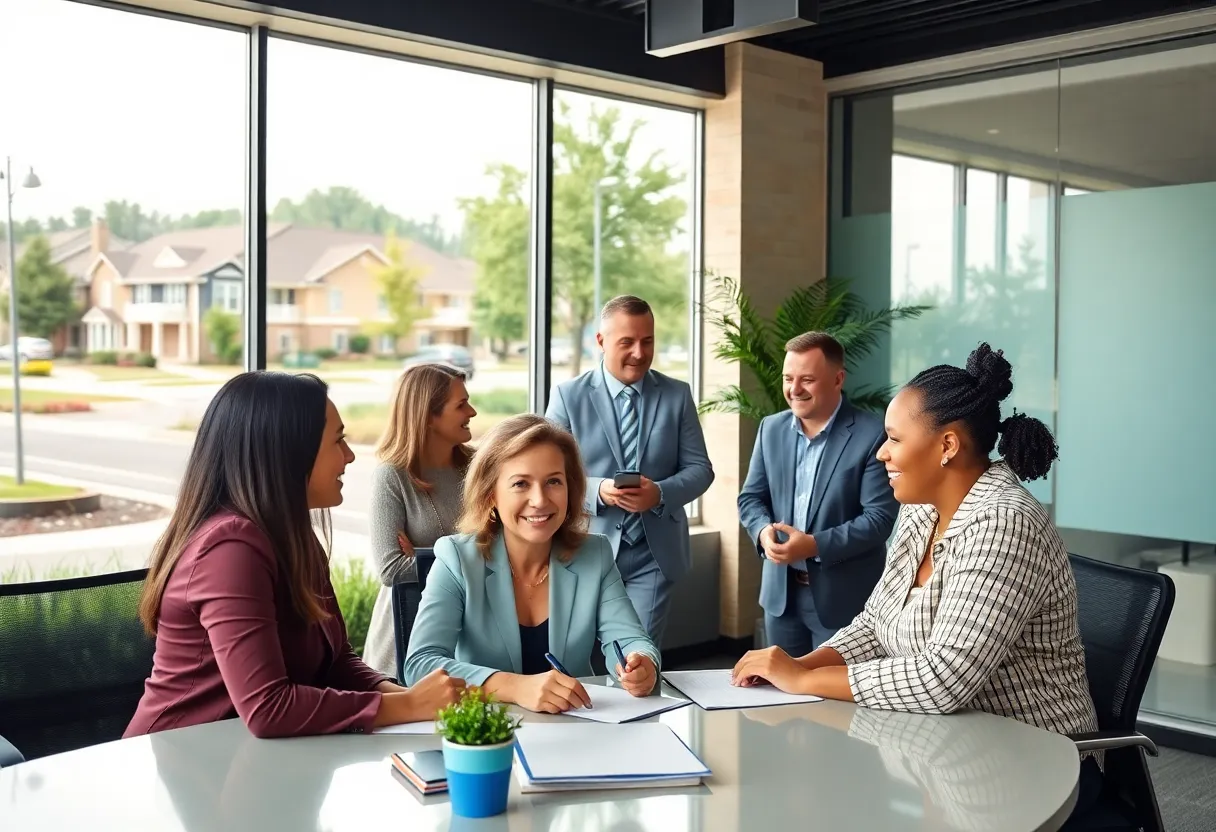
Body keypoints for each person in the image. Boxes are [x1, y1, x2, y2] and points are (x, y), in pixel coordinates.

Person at [730, 343, 1102, 819]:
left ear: (947, 446)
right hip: (951, 753)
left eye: (894, 439)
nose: (881, 452)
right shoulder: (921, 510)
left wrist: (803, 679)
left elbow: (942, 678)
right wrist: (800, 664)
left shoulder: (1004, 522)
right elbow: (875, 624)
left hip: (1034, 763)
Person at [126, 372, 465, 740]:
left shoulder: (294, 538)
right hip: (181, 756)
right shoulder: (230, 548)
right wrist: (410, 706)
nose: (349, 456)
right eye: (338, 441)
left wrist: (409, 698)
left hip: (247, 756)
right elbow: (268, 708)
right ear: (288, 453)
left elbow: (336, 662)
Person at [404, 414, 661, 713]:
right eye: (520, 484)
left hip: (575, 728)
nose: (539, 500)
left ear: (570, 489)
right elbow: (421, 665)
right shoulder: (457, 558)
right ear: (491, 495)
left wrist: (642, 664)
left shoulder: (595, 554)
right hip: (487, 730)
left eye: (553, 481)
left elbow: (630, 639)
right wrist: (514, 687)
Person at [545, 295, 714, 647]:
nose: (639, 353)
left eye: (647, 341)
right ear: (601, 341)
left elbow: (701, 469)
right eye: (627, 342)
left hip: (654, 555)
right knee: (580, 654)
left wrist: (660, 494)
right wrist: (597, 491)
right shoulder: (567, 396)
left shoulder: (677, 395)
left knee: (636, 653)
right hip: (584, 548)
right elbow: (547, 474)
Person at [737, 331, 898, 653]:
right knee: (779, 684)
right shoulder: (771, 429)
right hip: (780, 598)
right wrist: (763, 532)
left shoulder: (872, 435)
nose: (794, 389)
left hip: (844, 601)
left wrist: (813, 546)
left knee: (831, 687)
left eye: (807, 379)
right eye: (788, 379)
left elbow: (879, 519)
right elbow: (751, 498)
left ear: (838, 379)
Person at [362, 363, 476, 677]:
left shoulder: (479, 466)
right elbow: (391, 569)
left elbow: (505, 547)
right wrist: (474, 560)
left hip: (472, 633)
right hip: (406, 629)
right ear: (427, 415)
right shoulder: (392, 476)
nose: (473, 412)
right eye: (461, 405)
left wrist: (424, 556)